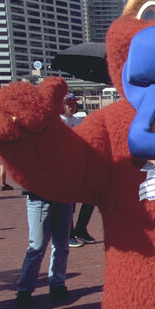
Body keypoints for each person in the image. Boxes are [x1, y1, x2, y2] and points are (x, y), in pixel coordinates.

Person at [60, 93, 96, 245]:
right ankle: (68, 234)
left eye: (74, 103)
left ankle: (81, 228)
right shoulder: (58, 121)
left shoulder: (79, 121)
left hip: (80, 167)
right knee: (69, 204)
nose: (71, 106)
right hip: (65, 169)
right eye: (68, 103)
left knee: (91, 198)